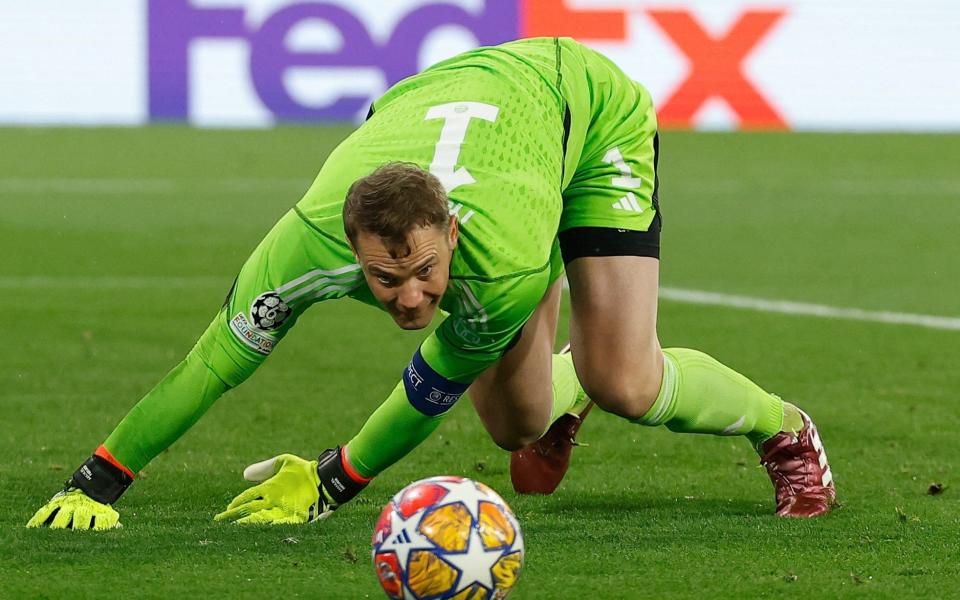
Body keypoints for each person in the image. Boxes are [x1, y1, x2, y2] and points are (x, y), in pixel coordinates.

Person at [27, 37, 835, 531]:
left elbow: (428, 387)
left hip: (583, 113)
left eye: (423, 276)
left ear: (449, 233)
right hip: (445, 116)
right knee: (518, 430)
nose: (411, 300)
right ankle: (555, 387)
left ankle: (785, 431)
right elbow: (214, 363)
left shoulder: (499, 258)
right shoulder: (302, 244)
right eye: (385, 281)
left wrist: (332, 480)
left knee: (620, 378)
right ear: (349, 252)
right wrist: (100, 478)